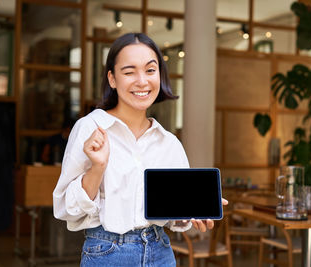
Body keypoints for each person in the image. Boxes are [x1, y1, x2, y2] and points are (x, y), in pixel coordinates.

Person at [53, 32, 227, 267]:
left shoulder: (169, 143)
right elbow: (67, 210)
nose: (142, 81)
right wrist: (97, 168)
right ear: (112, 79)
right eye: (129, 72)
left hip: (160, 253)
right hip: (107, 253)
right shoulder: (91, 128)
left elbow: (173, 214)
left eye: (150, 70)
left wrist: (191, 210)